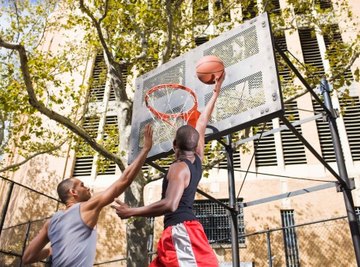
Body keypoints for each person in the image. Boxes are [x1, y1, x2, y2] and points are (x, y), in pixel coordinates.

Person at [111, 74, 224, 267]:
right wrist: (216, 91)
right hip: (179, 231)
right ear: (196, 144)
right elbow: (203, 122)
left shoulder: (178, 168)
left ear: (174, 145)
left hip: (181, 231)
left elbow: (170, 204)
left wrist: (131, 211)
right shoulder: (198, 158)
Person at [22, 124, 153, 266]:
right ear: (73, 192)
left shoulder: (51, 222)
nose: (88, 188)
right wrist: (145, 149)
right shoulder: (85, 208)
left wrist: (49, 251)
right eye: (82, 185)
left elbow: (27, 257)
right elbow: (124, 181)